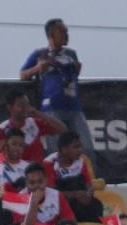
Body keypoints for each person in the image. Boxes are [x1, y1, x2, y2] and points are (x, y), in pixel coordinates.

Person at [20, 18, 95, 161]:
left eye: (66, 31)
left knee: (86, 146)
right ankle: (54, 178)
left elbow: (73, 75)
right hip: (51, 107)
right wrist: (38, 68)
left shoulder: (71, 53)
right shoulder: (40, 53)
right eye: (62, 31)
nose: (66, 34)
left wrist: (77, 70)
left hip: (74, 106)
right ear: (51, 35)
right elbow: (23, 74)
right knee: (55, 148)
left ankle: (89, 178)